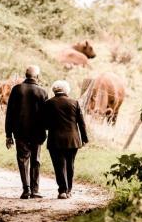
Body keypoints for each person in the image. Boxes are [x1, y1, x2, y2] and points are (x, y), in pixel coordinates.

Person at [5, 65, 48, 199]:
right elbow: (46, 116)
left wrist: (8, 134)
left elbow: (10, 113)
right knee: (35, 160)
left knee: (23, 159)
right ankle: (35, 190)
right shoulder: (42, 92)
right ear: (37, 77)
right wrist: (46, 130)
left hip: (20, 131)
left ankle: (26, 189)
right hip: (37, 132)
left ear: (25, 75)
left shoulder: (16, 90)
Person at [43, 80, 88, 199]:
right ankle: (69, 190)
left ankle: (62, 190)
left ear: (54, 90)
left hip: (55, 140)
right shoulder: (74, 102)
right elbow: (81, 123)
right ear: (67, 90)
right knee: (70, 164)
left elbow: (44, 123)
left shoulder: (48, 103)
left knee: (58, 165)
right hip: (72, 139)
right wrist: (84, 138)